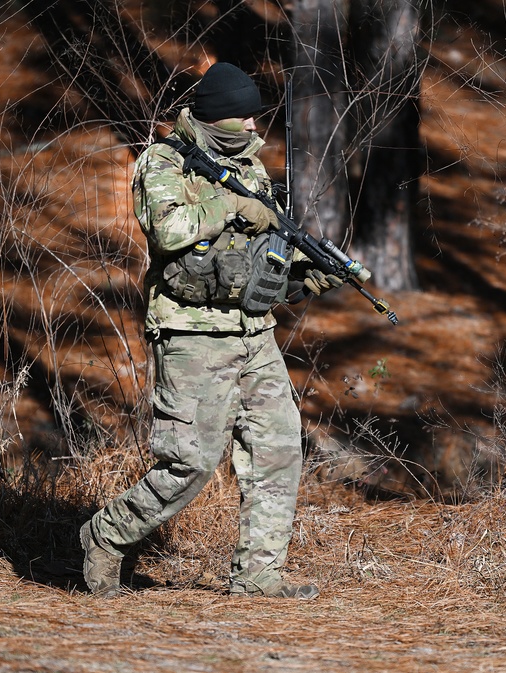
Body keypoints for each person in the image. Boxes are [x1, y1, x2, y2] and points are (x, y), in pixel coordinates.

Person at [79, 62, 344, 599]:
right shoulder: (164, 163)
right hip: (191, 335)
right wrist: (233, 203)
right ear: (216, 116)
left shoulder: (248, 164)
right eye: (244, 117)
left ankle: (258, 575)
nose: (253, 127)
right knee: (191, 462)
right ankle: (107, 535)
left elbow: (254, 255)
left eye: (255, 117)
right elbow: (172, 231)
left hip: (253, 333)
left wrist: (302, 275)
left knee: (278, 447)